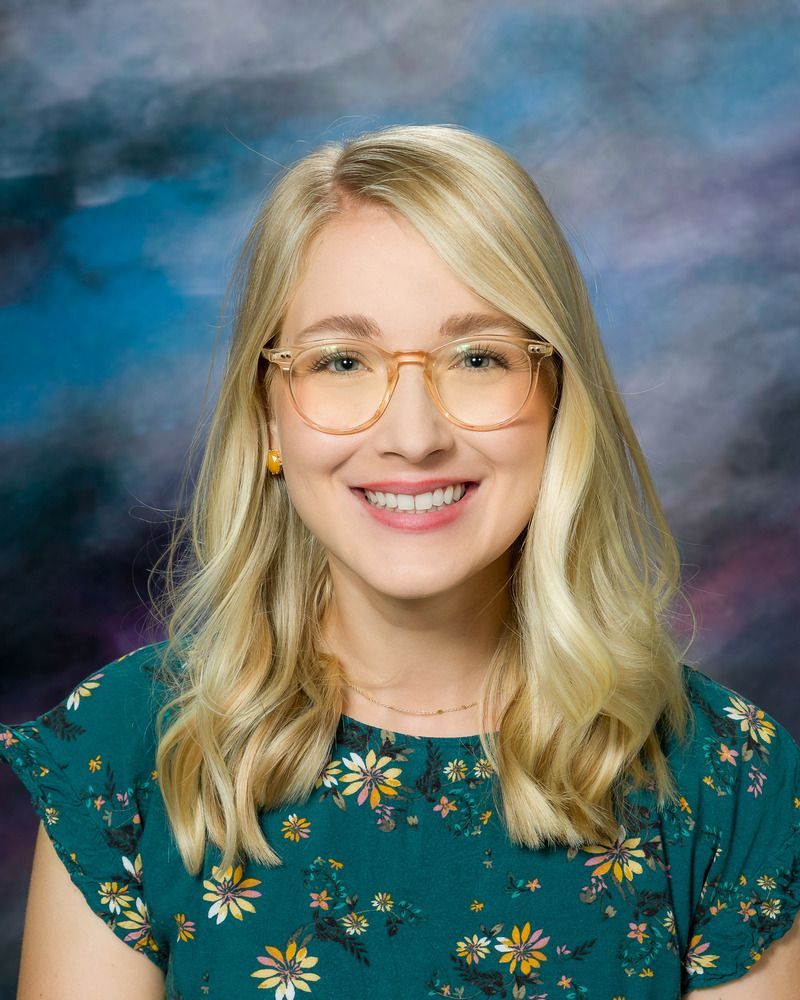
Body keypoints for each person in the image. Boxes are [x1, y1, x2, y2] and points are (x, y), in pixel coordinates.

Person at [2, 123, 799, 999]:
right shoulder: (130, 753)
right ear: (269, 416)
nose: (414, 436)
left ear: (559, 398)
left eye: (479, 358)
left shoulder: (727, 778)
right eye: (342, 360)